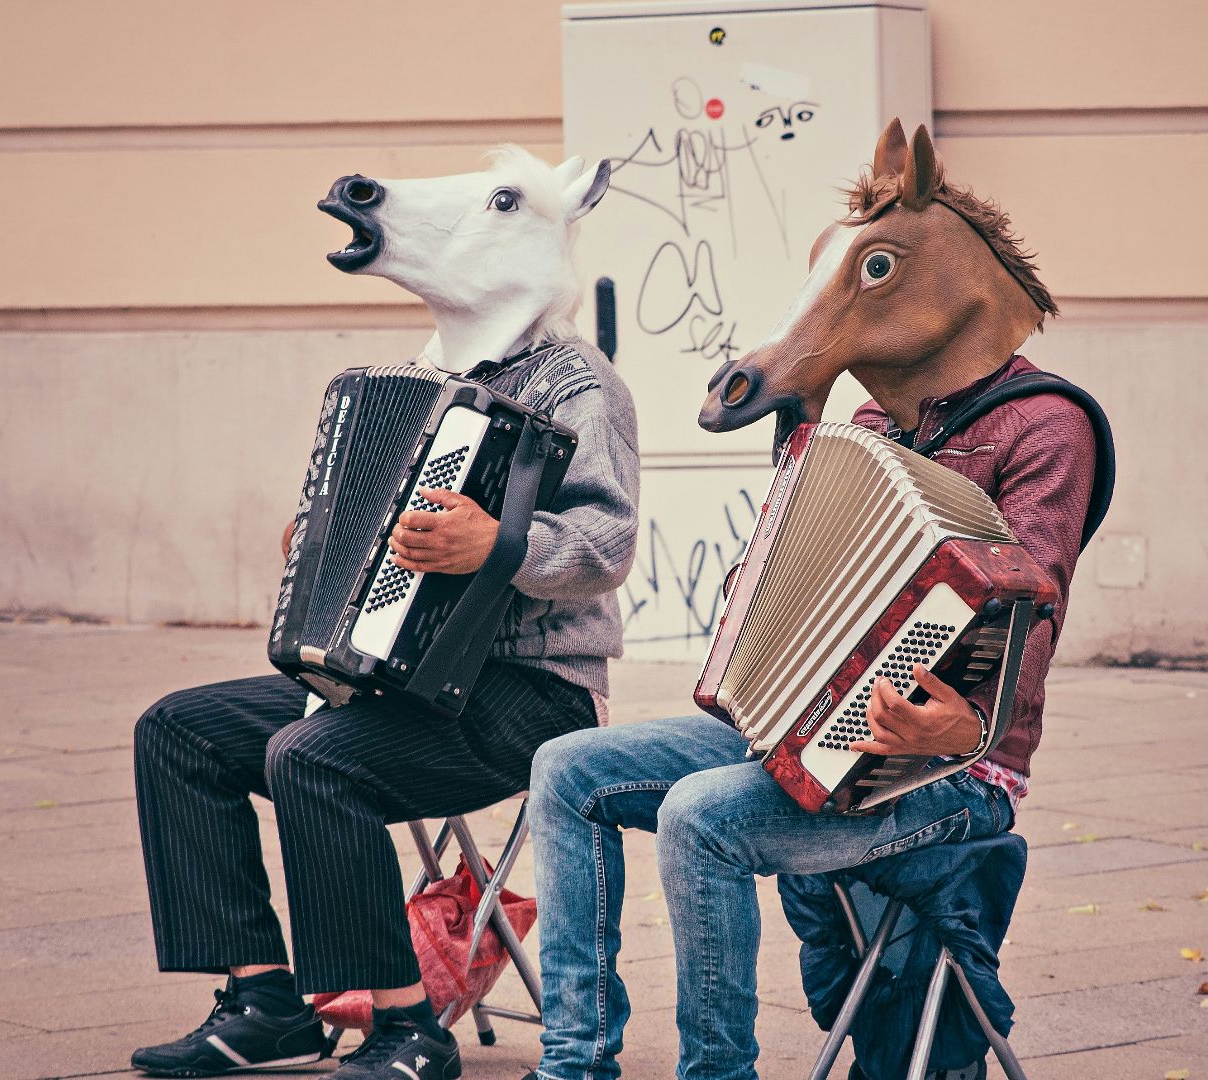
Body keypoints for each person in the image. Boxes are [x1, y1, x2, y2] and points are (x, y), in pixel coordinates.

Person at [526, 352, 1093, 1080]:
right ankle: (574, 1064)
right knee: (567, 768)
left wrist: (970, 724)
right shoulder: (874, 420)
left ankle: (718, 1073)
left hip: (956, 773)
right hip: (797, 732)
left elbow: (1034, 614)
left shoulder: (1049, 423)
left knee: (702, 815)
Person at [128, 338, 639, 1080]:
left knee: (311, 754)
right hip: (408, 677)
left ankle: (409, 1027)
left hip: (535, 689)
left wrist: (500, 545)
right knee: (178, 731)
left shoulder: (580, 382)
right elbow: (377, 524)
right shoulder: (435, 370)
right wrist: (322, 540)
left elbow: (610, 542)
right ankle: (266, 1005)